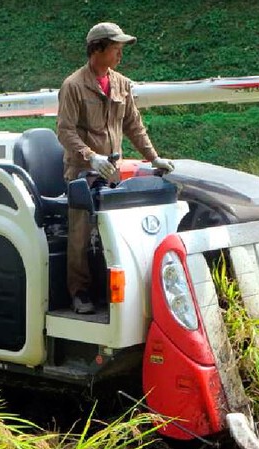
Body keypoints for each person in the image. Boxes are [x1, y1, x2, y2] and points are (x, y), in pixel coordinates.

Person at [56, 22, 175, 315]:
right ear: (97, 50)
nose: (120, 55)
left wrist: (153, 158)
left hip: (112, 172)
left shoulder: (121, 84)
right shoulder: (73, 86)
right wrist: (90, 156)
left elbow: (134, 125)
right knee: (81, 232)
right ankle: (79, 292)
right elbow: (65, 131)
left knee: (115, 231)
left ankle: (113, 288)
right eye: (115, 49)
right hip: (81, 173)